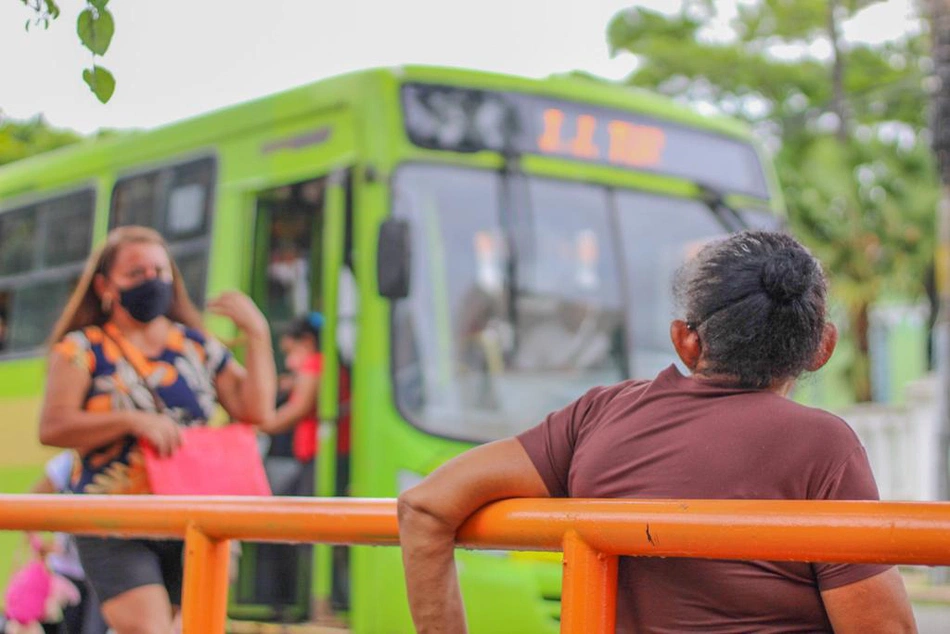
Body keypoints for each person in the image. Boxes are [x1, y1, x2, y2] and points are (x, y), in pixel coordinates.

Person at [398, 231, 917, 633]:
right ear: (821, 349)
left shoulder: (599, 415)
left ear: (685, 341)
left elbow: (425, 505)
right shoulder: (824, 447)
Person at [38, 225, 276, 634]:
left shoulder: (196, 345)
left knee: (195, 627)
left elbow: (255, 410)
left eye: (160, 271)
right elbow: (53, 427)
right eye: (136, 273)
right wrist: (132, 420)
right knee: (151, 630)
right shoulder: (81, 349)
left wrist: (258, 335)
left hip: (197, 514)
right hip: (114, 517)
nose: (151, 281)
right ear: (104, 285)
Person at [29, 451, 108, 634]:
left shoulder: (120, 459)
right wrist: (40, 544)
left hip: (103, 570)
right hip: (67, 572)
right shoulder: (68, 463)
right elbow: (29, 504)